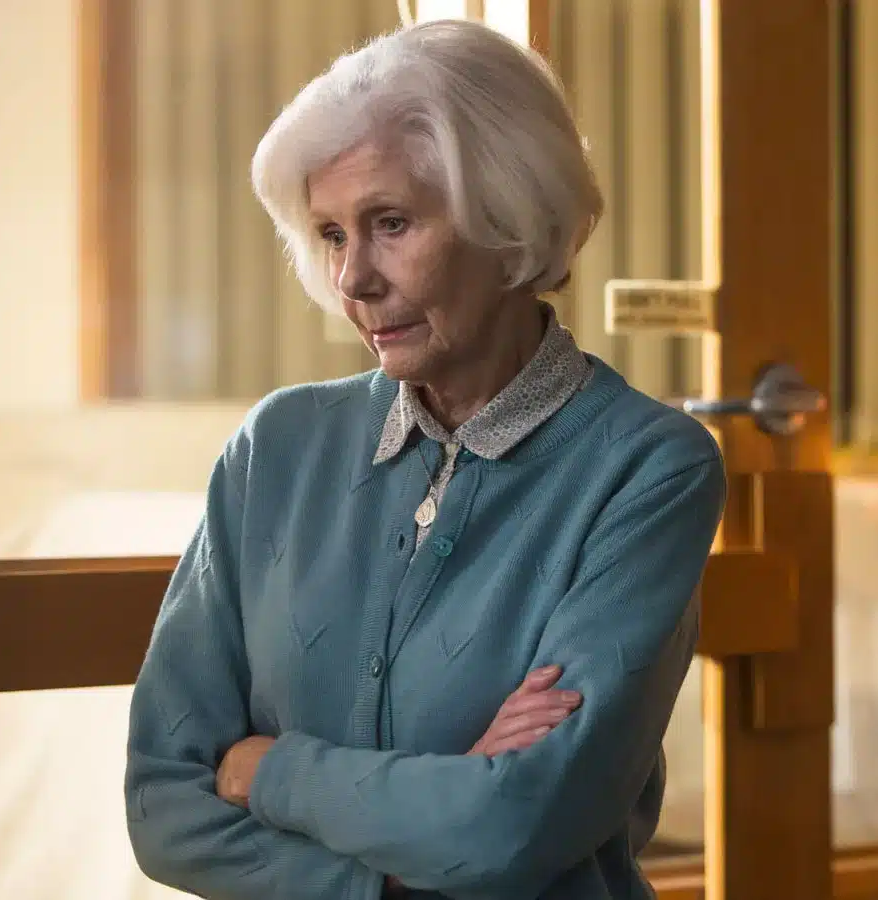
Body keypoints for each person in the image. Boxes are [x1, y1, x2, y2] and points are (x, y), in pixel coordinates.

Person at [124, 19, 725, 900]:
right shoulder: (275, 448)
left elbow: (516, 825)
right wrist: (413, 861)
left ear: (510, 217)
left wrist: (269, 770)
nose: (352, 279)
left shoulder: (648, 467)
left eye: (392, 223)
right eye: (332, 234)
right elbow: (162, 804)